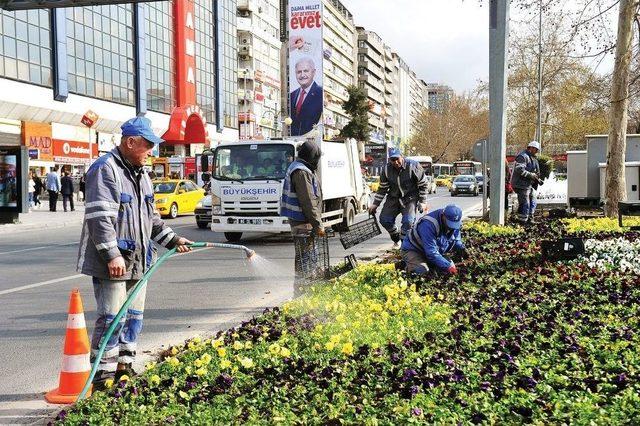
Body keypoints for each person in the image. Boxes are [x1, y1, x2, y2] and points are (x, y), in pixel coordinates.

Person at [76, 116, 193, 389]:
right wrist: (112, 255)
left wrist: (173, 239)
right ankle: (103, 377)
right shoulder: (105, 170)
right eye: (148, 145)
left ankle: (124, 368)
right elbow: (100, 219)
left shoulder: (142, 175)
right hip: (114, 263)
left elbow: (152, 220)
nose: (152, 151)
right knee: (112, 318)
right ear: (130, 142)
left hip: (140, 260)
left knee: (134, 317)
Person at [280, 140, 324, 295]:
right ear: (312, 157)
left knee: (305, 256)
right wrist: (318, 225)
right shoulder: (302, 172)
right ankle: (302, 292)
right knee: (305, 258)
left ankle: (303, 290)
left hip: (301, 220)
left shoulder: (299, 167)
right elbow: (308, 201)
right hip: (302, 221)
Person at [368, 148, 429, 247]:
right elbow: (382, 188)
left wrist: (423, 202)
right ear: (389, 160)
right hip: (393, 198)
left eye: (397, 159)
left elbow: (424, 185)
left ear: (402, 157)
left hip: (410, 198)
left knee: (408, 221)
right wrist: (375, 204)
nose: (395, 162)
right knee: (384, 219)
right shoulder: (387, 170)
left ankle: (405, 244)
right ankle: (396, 238)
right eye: (392, 160)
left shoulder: (413, 166)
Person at [401, 204, 468, 276]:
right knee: (422, 271)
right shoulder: (428, 224)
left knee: (448, 270)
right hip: (414, 250)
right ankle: (405, 265)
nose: (451, 227)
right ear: (443, 216)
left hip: (433, 252)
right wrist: (448, 266)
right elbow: (431, 252)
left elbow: (456, 239)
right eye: (450, 224)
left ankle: (427, 264)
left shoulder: (454, 222)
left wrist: (462, 248)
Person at [289, 57, 323, 136]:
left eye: (306, 71)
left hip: (313, 137)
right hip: (293, 139)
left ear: (313, 72)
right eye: (299, 72)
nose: (302, 75)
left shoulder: (320, 93)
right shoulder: (291, 95)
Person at [511, 141, 542, 224]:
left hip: (528, 184)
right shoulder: (523, 156)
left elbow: (535, 171)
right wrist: (531, 175)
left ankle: (530, 218)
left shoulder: (532, 157)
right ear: (531, 148)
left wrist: (537, 178)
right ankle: (523, 220)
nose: (537, 151)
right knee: (525, 202)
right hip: (521, 184)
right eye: (536, 149)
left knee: (533, 200)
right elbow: (519, 169)